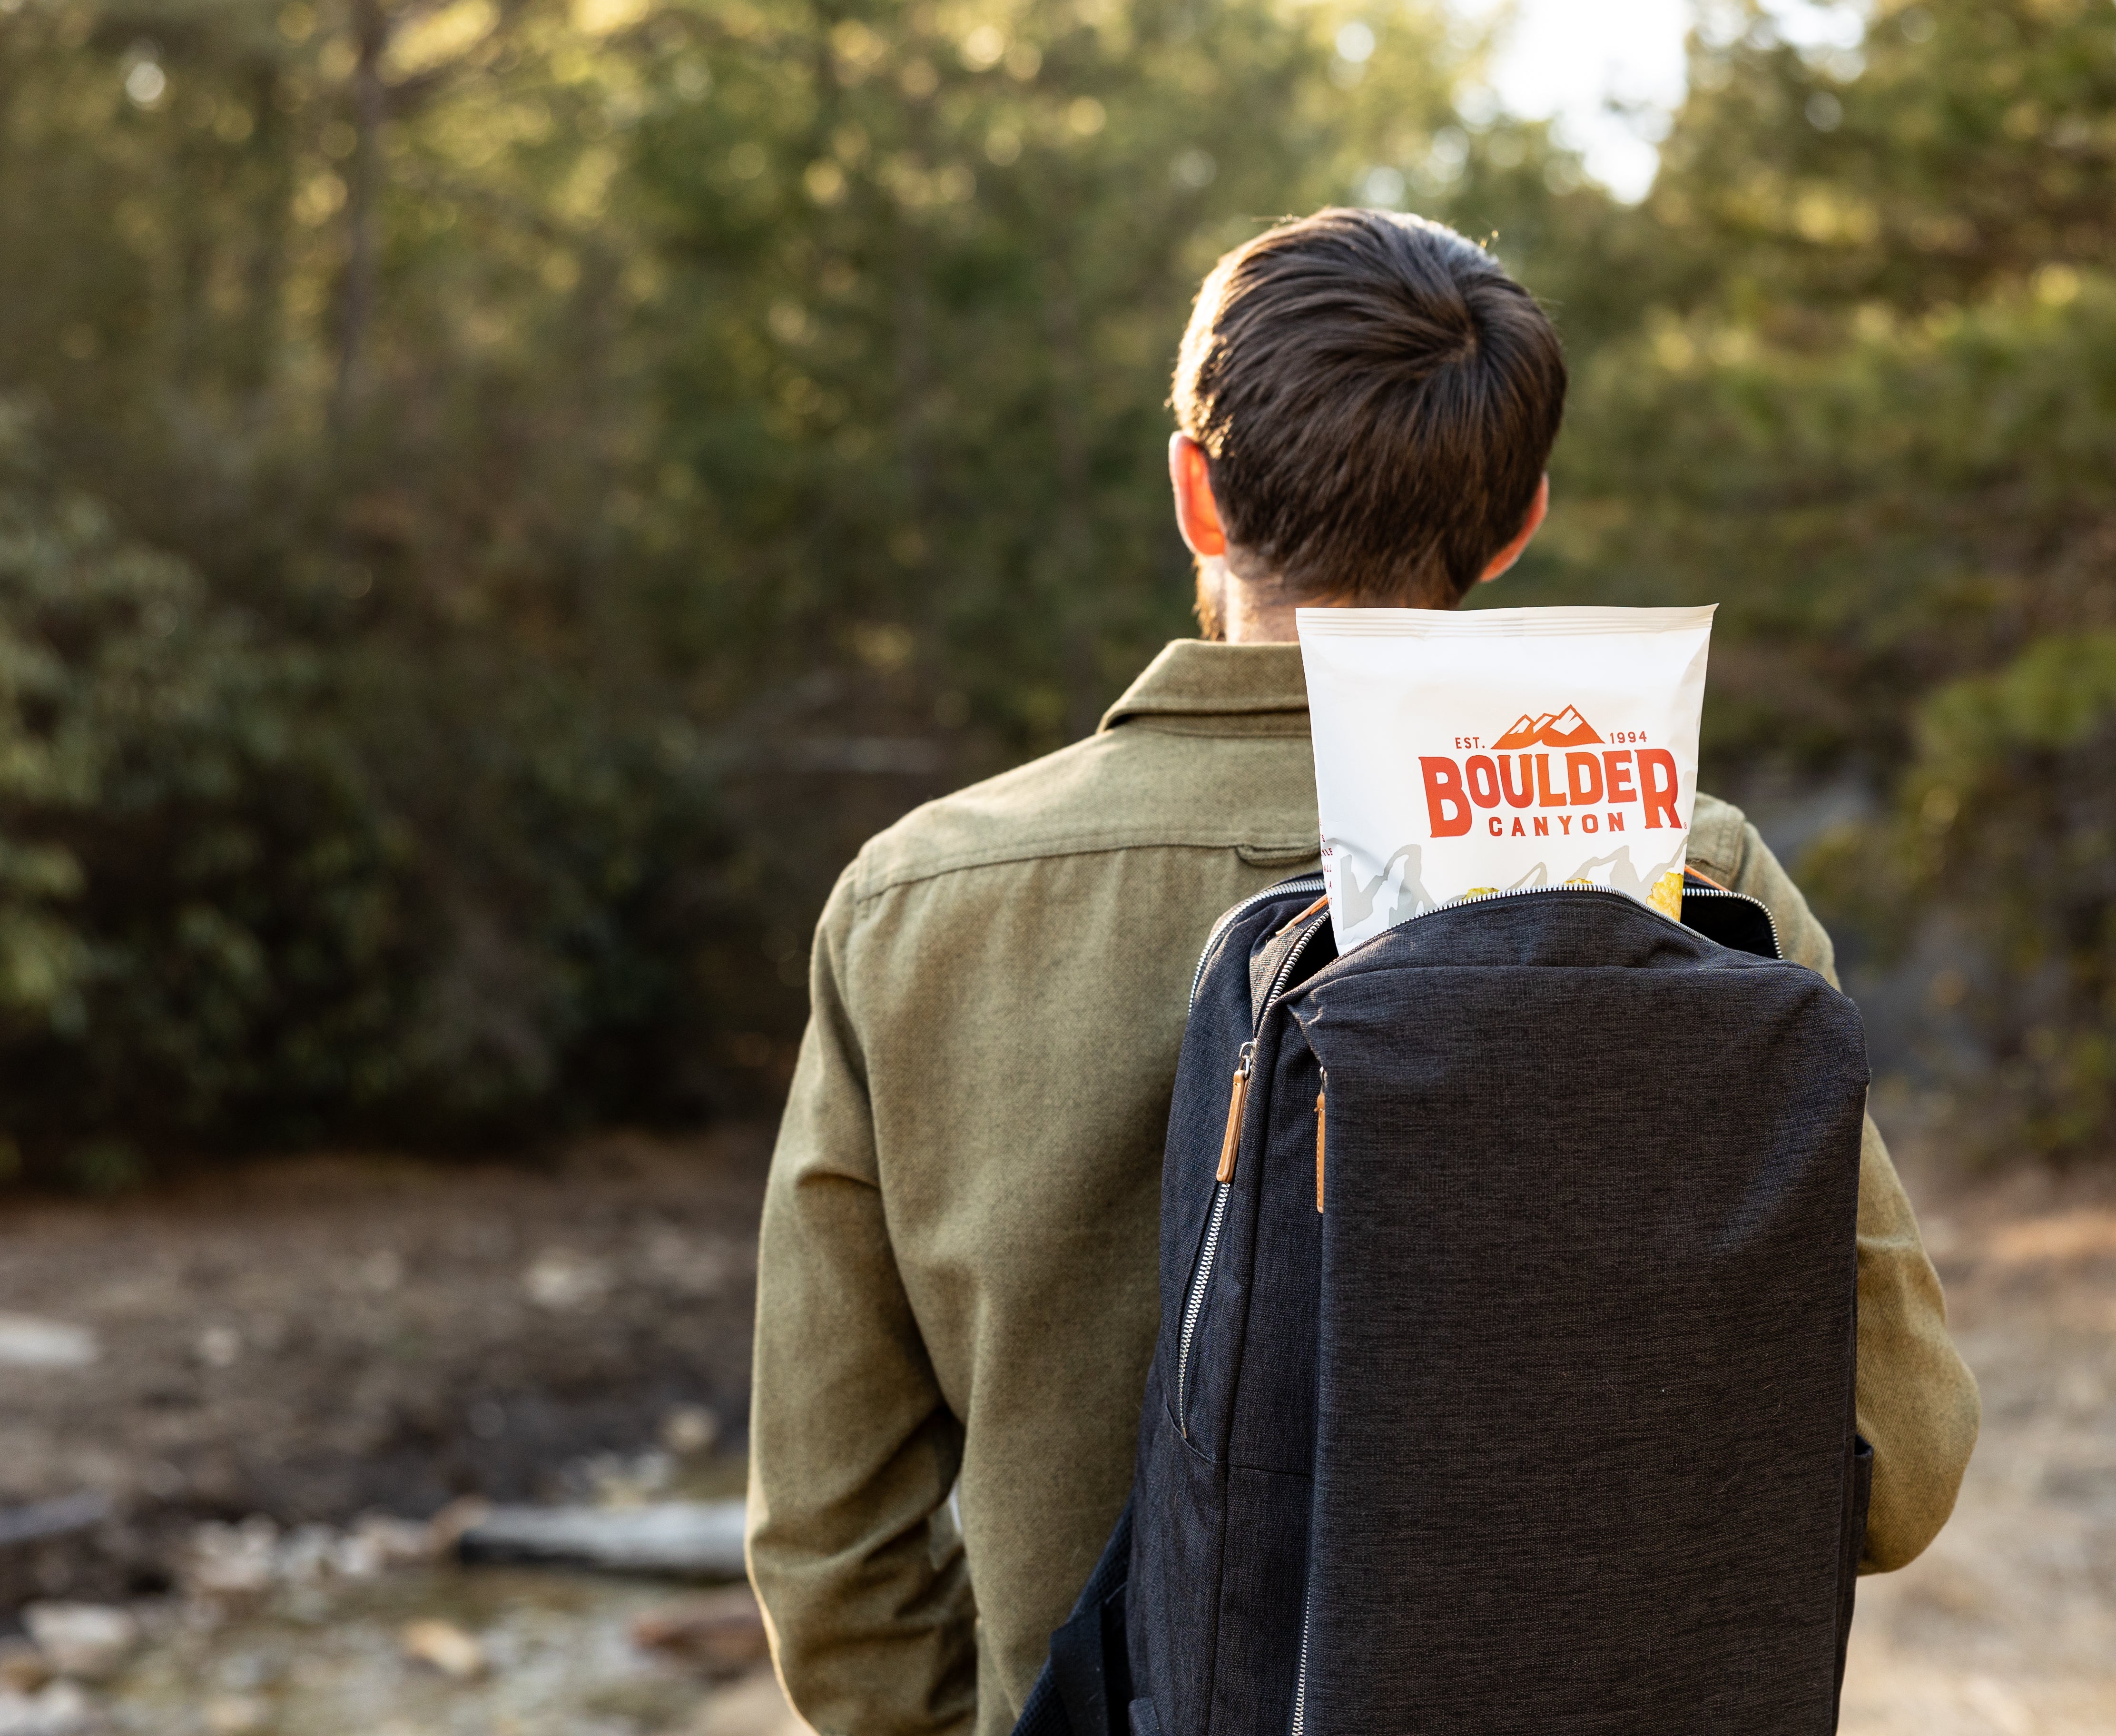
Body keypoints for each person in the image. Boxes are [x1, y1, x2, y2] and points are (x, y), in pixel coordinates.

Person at [746, 207, 1979, 1736]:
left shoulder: (917, 903)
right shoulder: (1683, 877)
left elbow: (832, 1546)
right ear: (1517, 522)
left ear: (1196, 492)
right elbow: (1899, 1464)